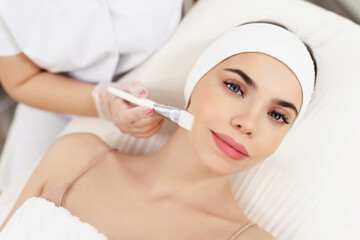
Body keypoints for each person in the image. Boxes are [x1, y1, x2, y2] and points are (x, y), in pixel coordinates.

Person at [0, 22, 316, 239]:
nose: (247, 122)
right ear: (195, 84)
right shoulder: (76, 156)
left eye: (277, 115)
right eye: (235, 87)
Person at [0, 0, 187, 185]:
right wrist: (103, 101)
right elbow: (21, 80)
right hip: (56, 95)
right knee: (25, 193)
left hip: (162, 67)